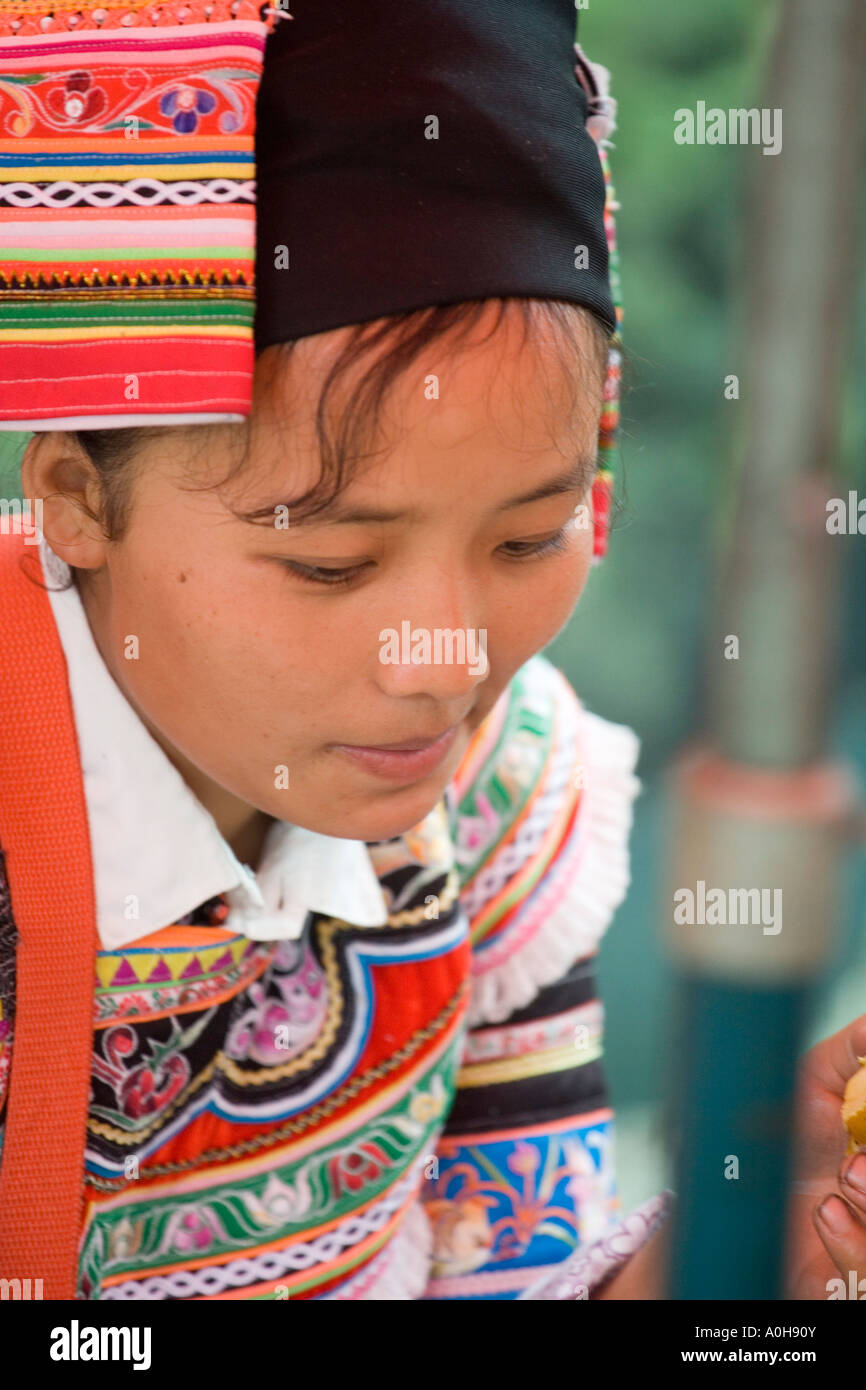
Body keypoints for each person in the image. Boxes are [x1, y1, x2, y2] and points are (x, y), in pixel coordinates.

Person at [0, 0, 863, 1303]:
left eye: (526, 538)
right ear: (74, 492)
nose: (444, 660)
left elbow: (505, 1282)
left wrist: (751, 1238)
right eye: (331, 563)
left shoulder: (500, 797)